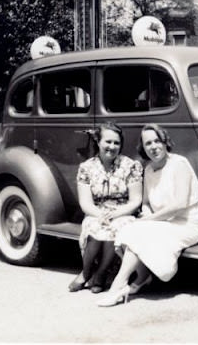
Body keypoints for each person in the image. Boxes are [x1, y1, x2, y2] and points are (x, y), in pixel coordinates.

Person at [96, 124, 198, 306]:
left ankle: (118, 285)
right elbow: (145, 202)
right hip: (162, 222)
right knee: (129, 230)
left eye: (157, 141)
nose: (153, 147)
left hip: (186, 224)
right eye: (148, 144)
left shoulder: (179, 164)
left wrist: (148, 220)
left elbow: (179, 204)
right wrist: (146, 215)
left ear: (165, 142)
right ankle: (142, 278)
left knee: (139, 231)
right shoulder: (148, 169)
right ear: (143, 148)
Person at [68, 122, 143, 293]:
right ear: (98, 142)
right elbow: (85, 203)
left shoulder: (131, 166)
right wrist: (100, 214)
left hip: (123, 212)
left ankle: (101, 273)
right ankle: (86, 272)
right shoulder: (86, 168)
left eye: (116, 143)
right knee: (94, 227)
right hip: (96, 211)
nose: (112, 146)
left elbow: (135, 200)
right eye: (108, 142)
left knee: (115, 228)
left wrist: (116, 213)